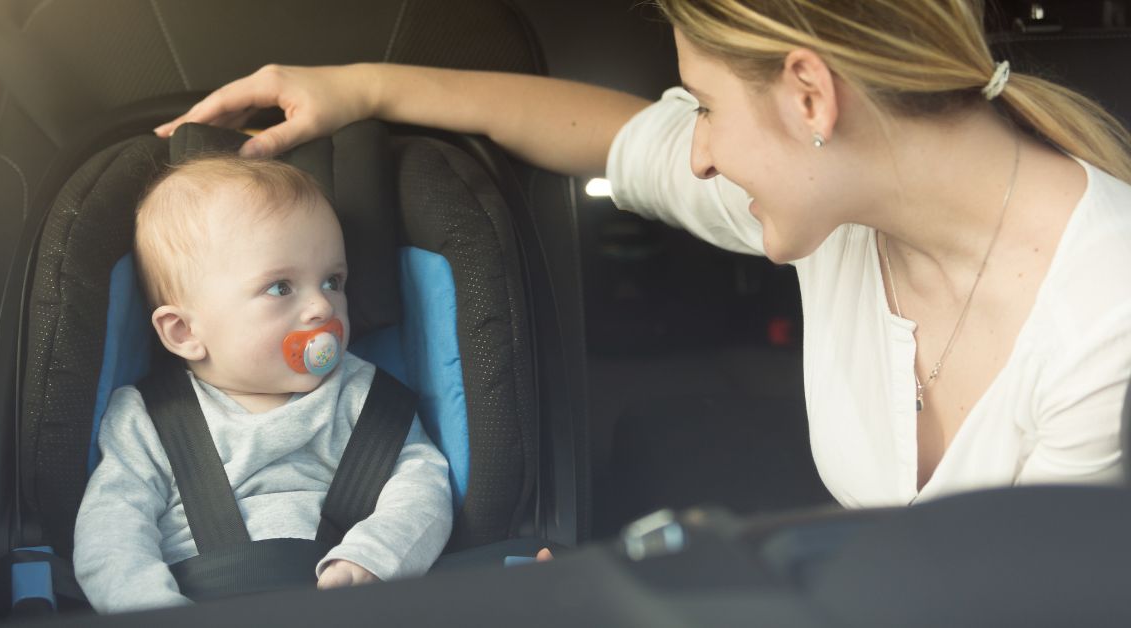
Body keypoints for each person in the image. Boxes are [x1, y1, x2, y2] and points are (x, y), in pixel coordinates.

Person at [156, 0, 1130, 509]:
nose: (696, 146)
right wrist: (362, 87)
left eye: (705, 105)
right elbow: (610, 134)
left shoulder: (1107, 317)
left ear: (809, 98)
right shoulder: (838, 204)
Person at [73, 156, 453, 613]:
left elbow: (422, 485)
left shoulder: (365, 398)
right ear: (184, 332)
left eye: (333, 281)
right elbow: (112, 532)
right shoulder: (149, 420)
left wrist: (373, 557)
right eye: (280, 288)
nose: (321, 308)